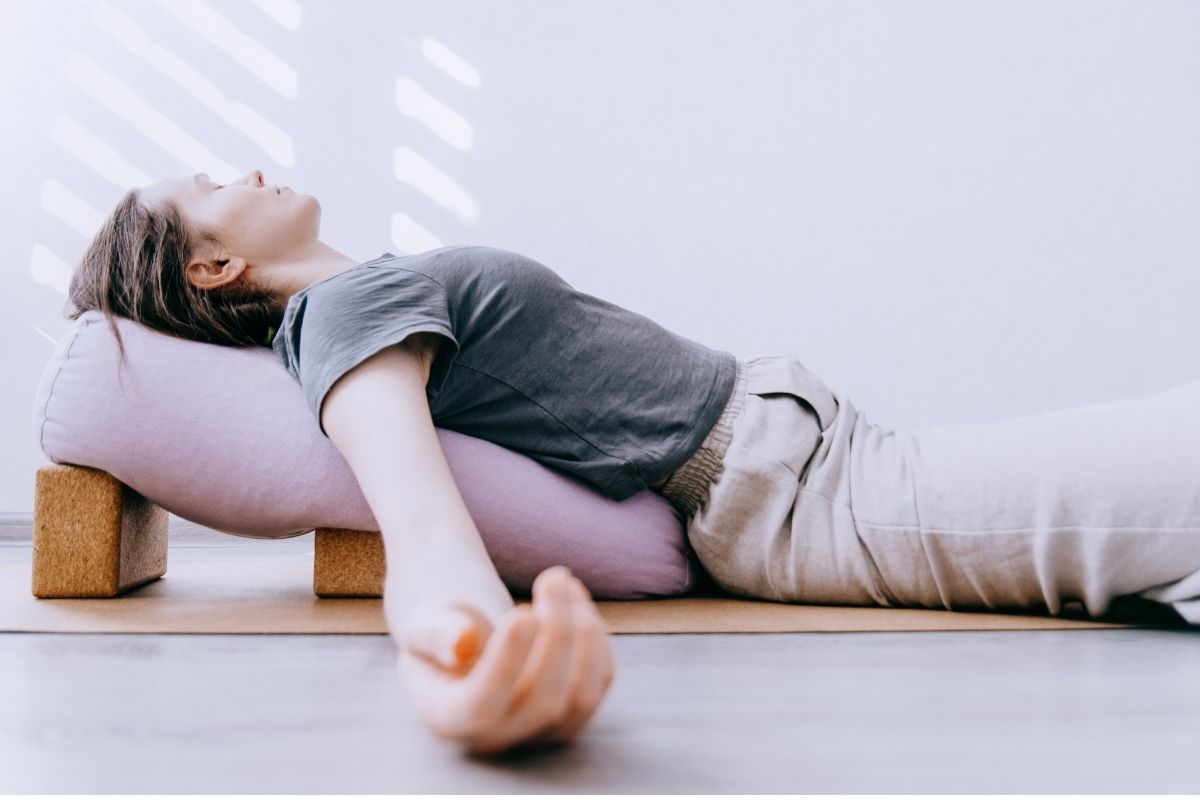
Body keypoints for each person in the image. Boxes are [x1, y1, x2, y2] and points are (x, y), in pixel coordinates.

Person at [66, 168, 1200, 752]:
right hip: (818, 504)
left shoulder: (366, 292)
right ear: (210, 267)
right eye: (212, 186)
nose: (249, 169)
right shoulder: (342, 320)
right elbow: (415, 516)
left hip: (839, 460)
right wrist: (462, 665)